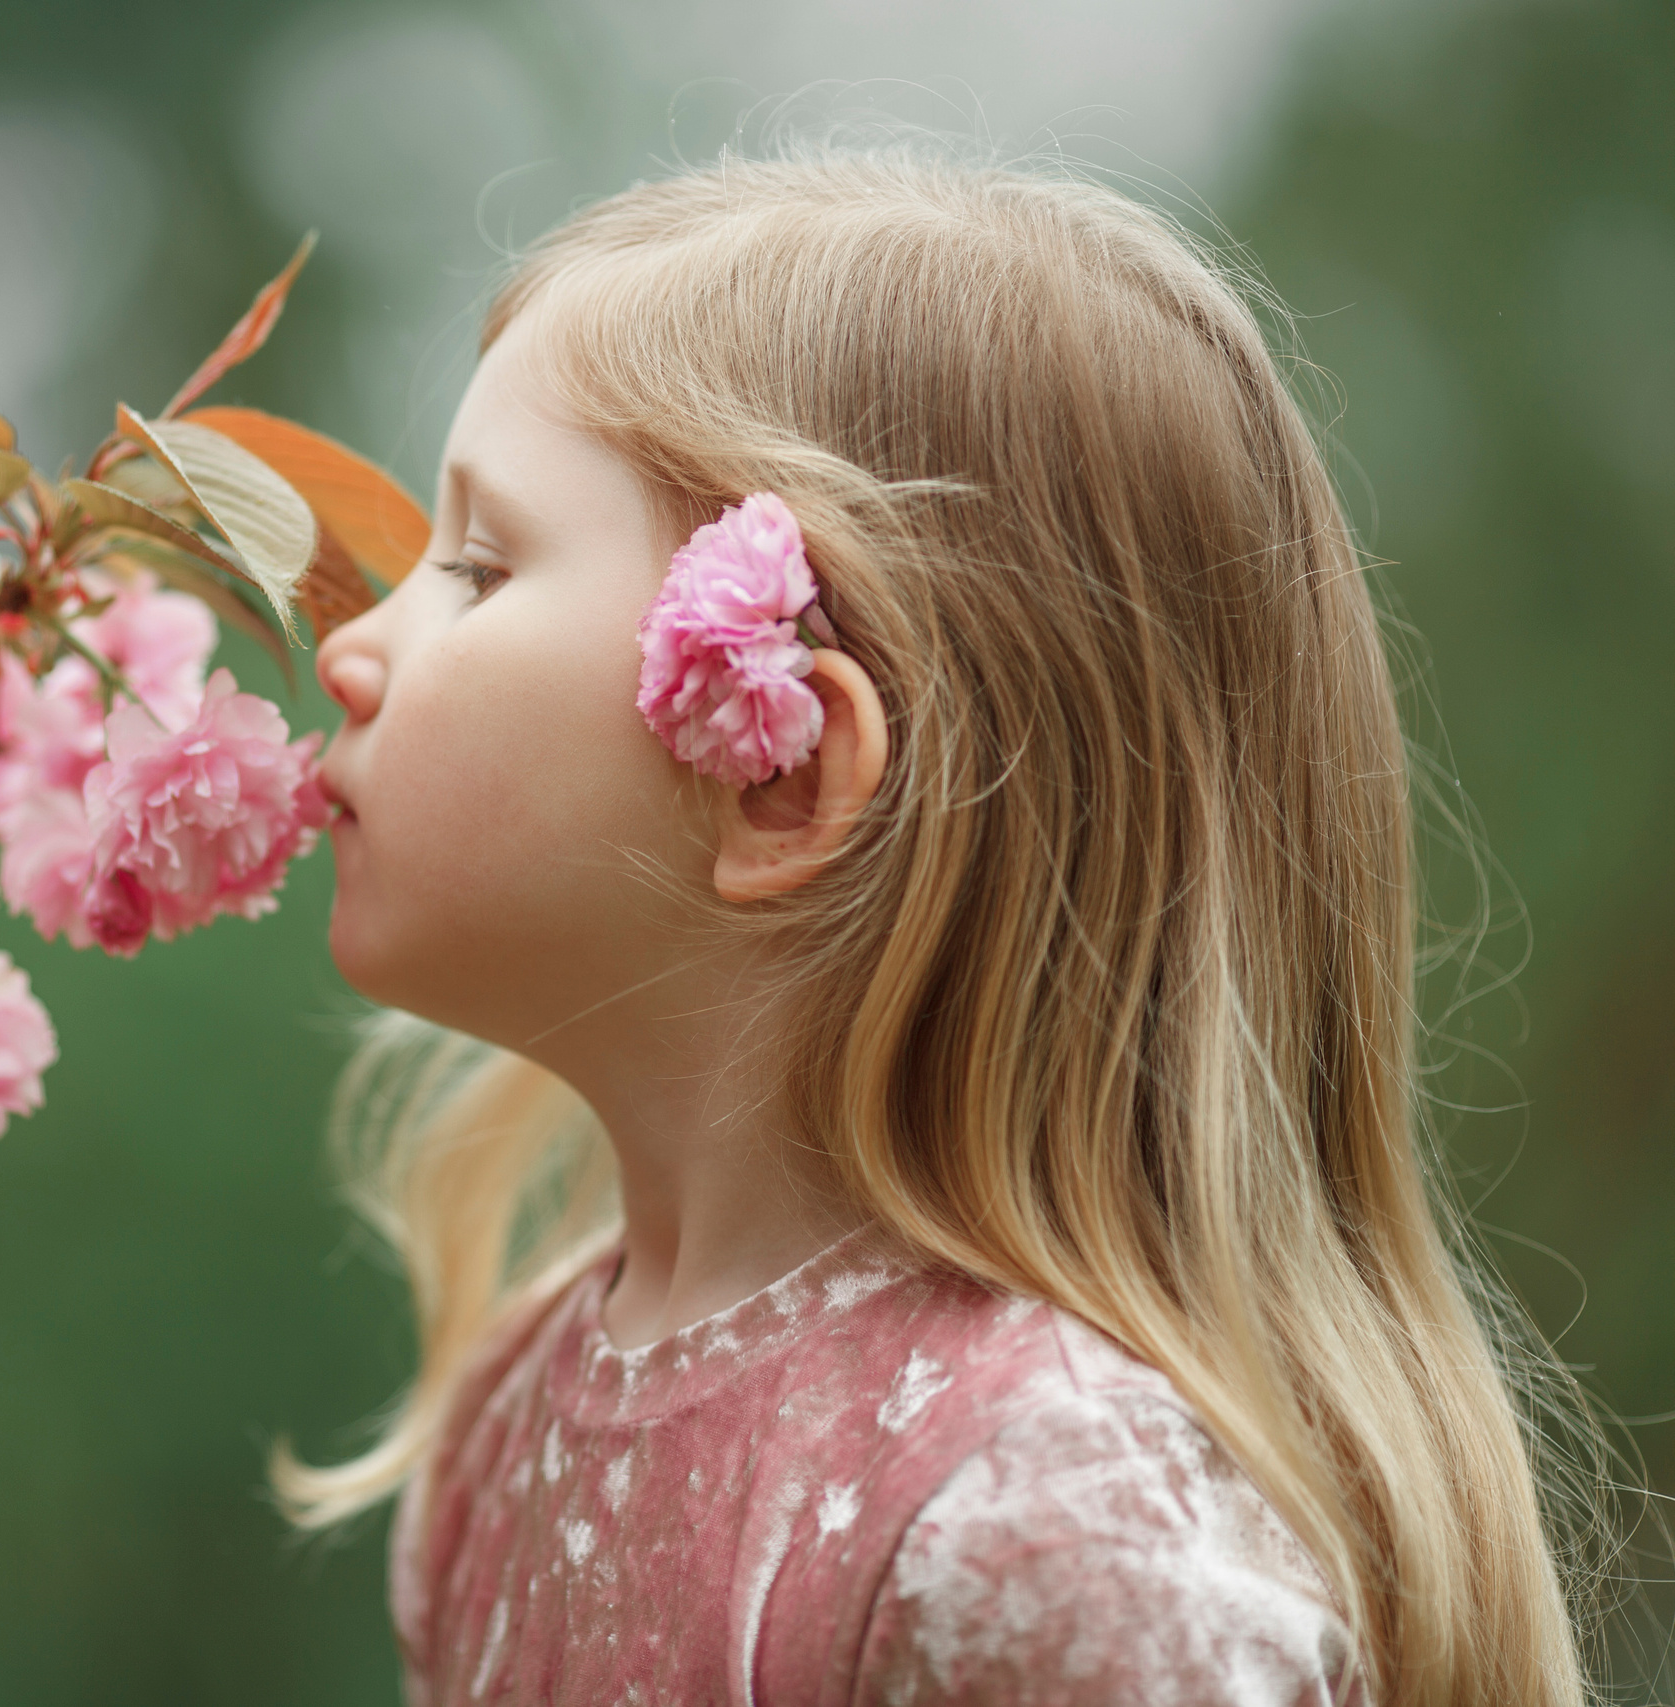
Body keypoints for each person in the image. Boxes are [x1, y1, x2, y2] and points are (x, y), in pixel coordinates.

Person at [277, 144, 1605, 1706]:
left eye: (483, 566)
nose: (349, 646)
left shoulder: (1048, 1530)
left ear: (778, 773)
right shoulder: (513, 1410)